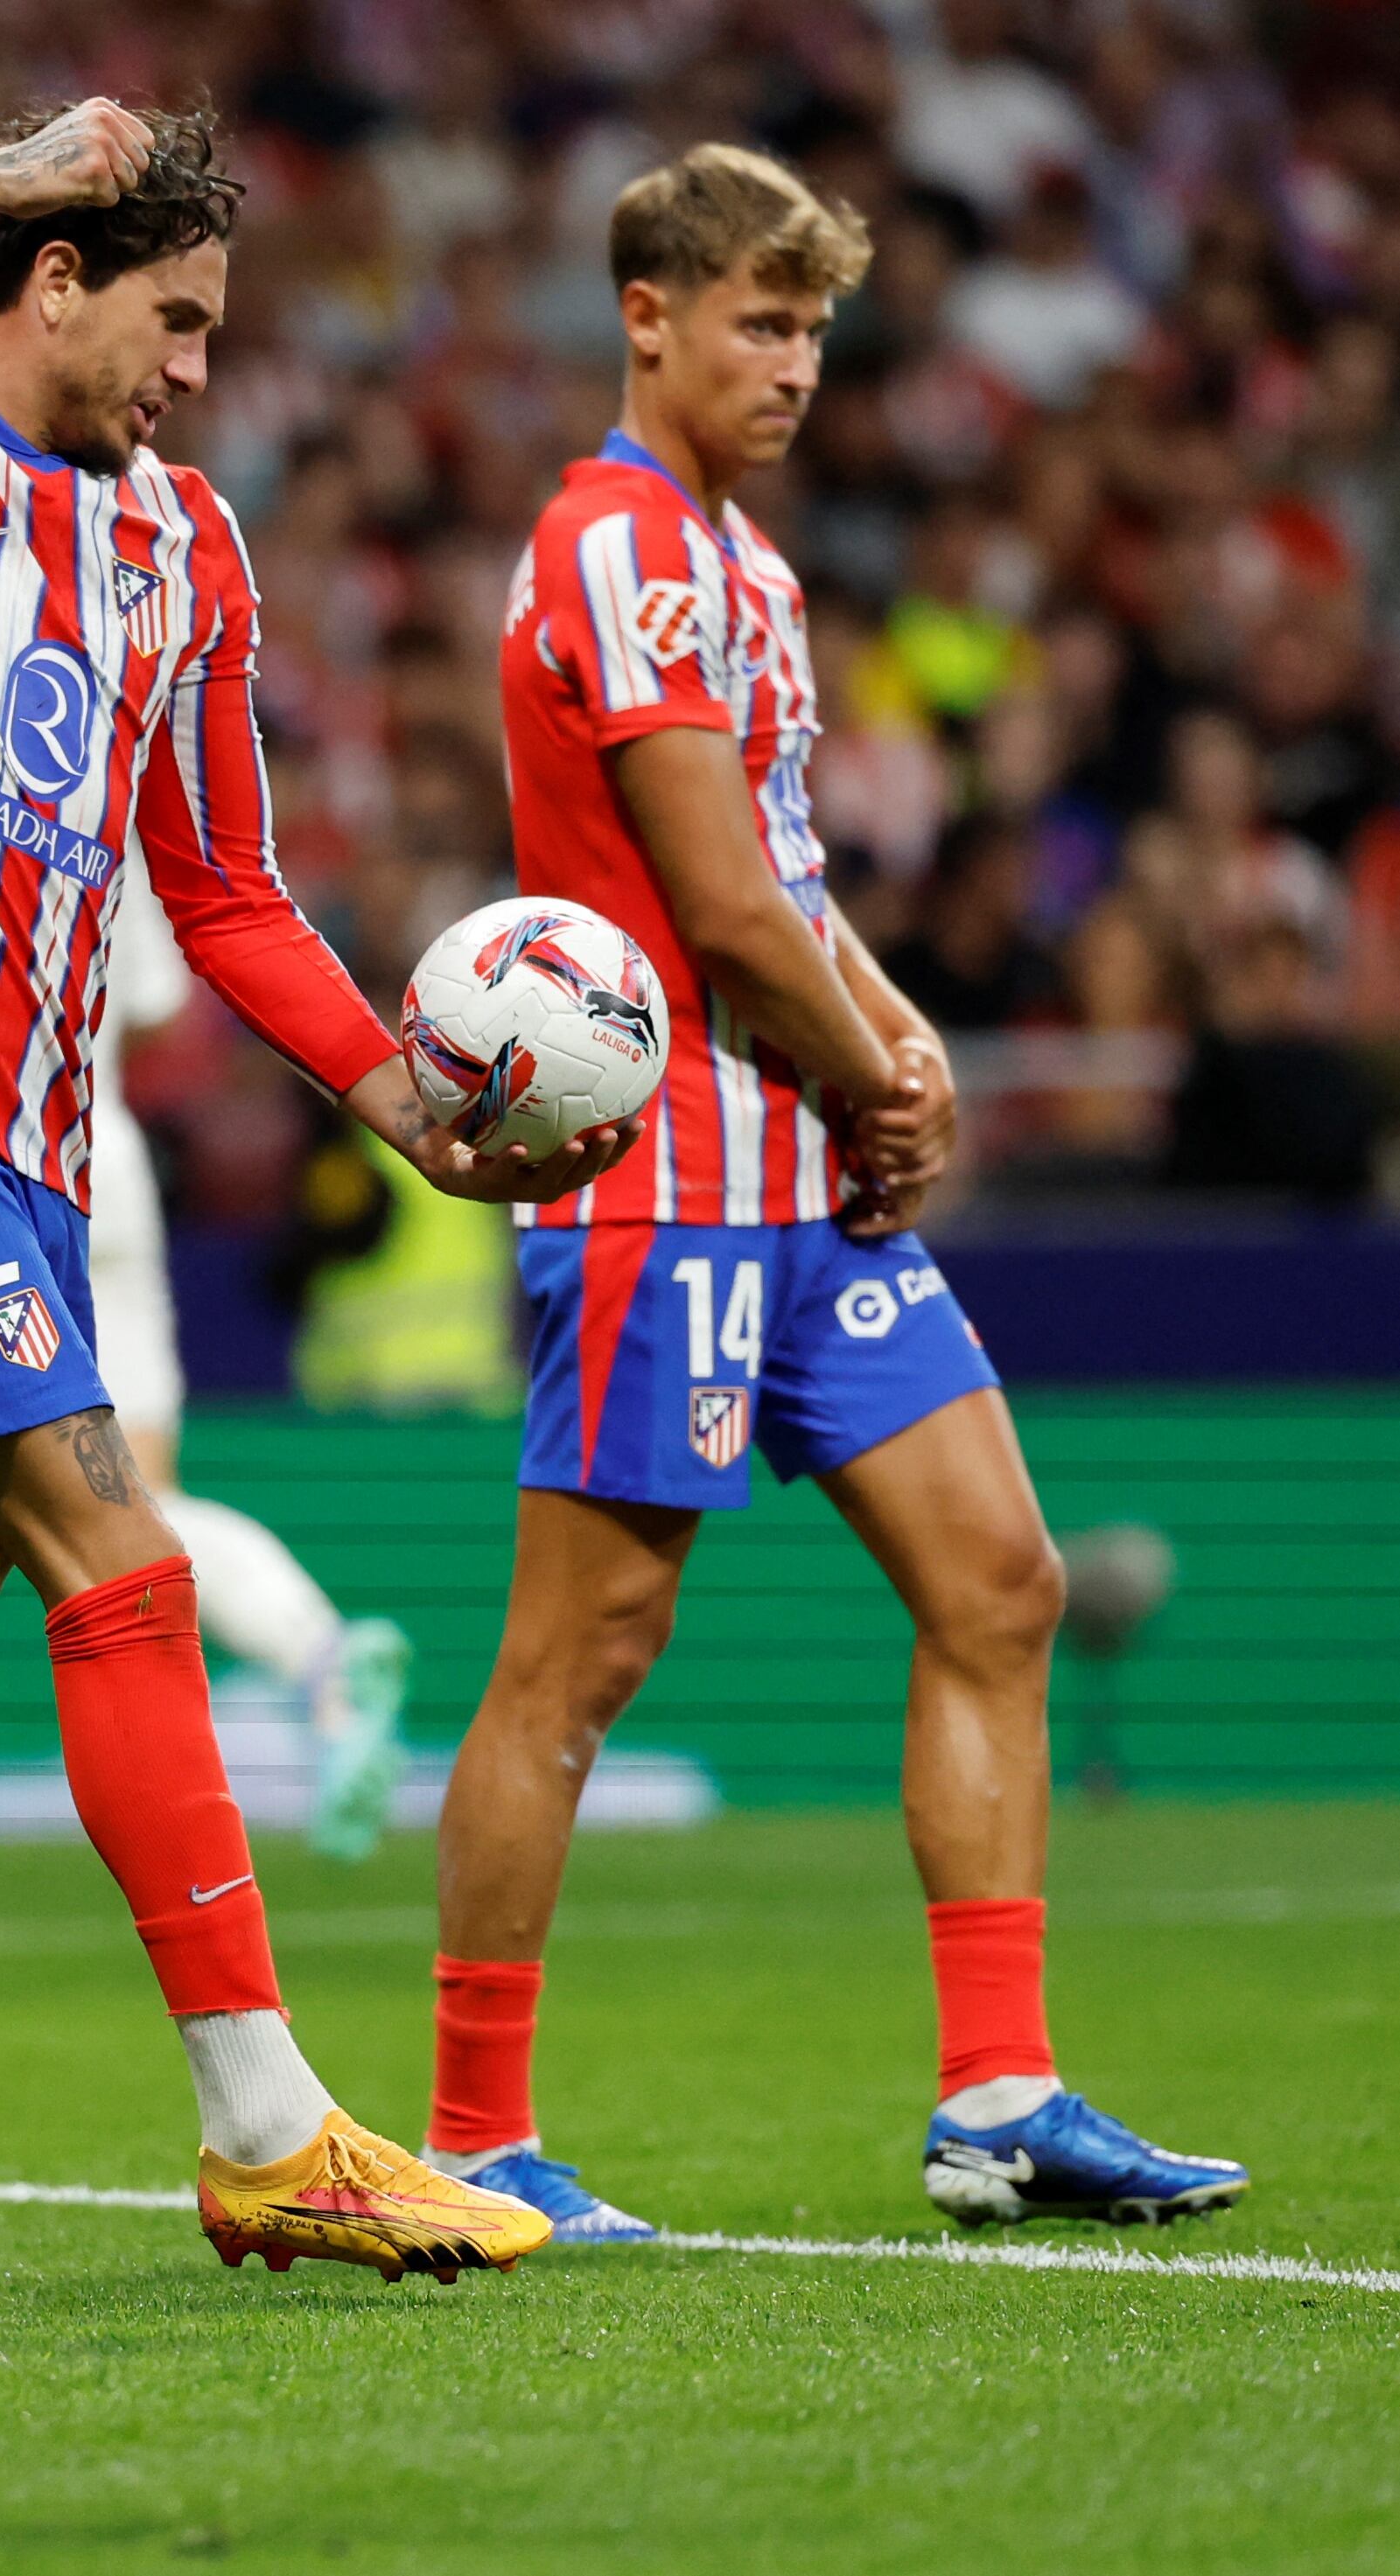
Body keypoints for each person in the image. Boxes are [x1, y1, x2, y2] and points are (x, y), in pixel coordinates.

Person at [0, 100, 639, 2307]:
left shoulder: (189, 551)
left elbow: (228, 890)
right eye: (171, 317)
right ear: (53, 274)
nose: (193, 369)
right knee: (120, 1550)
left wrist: (404, 1106)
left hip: (35, 1157)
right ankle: (274, 2131)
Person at [438, 143, 1247, 2244]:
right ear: (648, 316)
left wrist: (904, 1039)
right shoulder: (612, 549)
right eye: (758, 324)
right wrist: (874, 1051)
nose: (797, 366)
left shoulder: (753, 574)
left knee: (1002, 1581)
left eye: (814, 329)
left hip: (802, 1184)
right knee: (582, 1653)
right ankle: (471, 2131)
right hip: (657, 1190)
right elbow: (708, 905)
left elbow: (793, 879)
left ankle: (1001, 2095)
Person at [0, 856, 413, 1869]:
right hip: (88, 1159)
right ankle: (318, 1654)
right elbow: (154, 1005)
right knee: (133, 1491)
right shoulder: (86, 790)